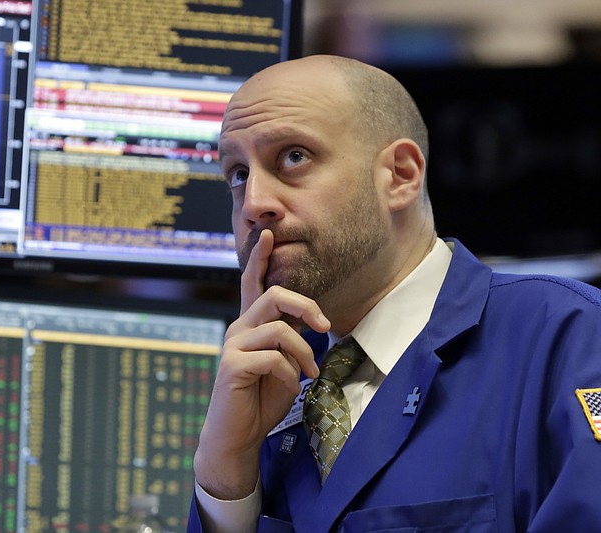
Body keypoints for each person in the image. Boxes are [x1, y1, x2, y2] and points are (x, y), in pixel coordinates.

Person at [187, 54, 601, 532]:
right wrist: (225, 479)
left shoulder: (567, 340)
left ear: (400, 175)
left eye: (293, 157)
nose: (254, 204)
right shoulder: (269, 384)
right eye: (238, 174)